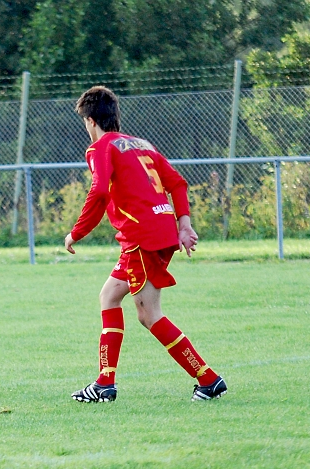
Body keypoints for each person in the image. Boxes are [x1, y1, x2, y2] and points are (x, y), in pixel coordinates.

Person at [64, 86, 227, 403]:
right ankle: (104, 383)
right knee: (109, 296)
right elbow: (176, 182)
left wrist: (76, 233)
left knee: (148, 313)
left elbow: (99, 192)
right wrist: (184, 224)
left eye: (84, 122)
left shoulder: (100, 148)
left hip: (142, 237)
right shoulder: (141, 144)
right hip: (160, 230)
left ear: (91, 120)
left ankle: (208, 380)